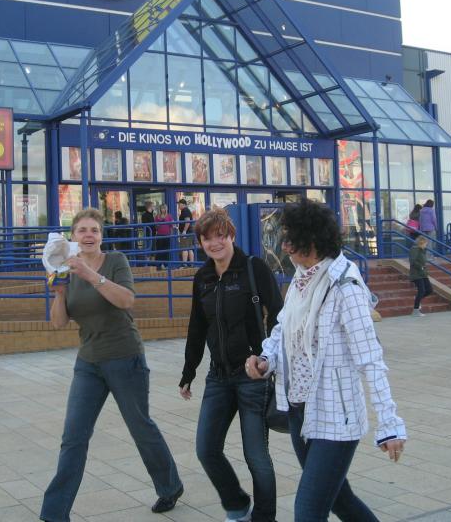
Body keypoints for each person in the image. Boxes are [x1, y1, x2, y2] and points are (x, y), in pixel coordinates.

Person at [245, 199, 407, 522]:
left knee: (308, 511)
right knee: (340, 500)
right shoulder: (302, 279)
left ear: (313, 240)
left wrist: (389, 424)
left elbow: (370, 359)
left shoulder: (345, 286)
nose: (285, 246)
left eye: (291, 239)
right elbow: (283, 328)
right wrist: (266, 359)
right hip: (299, 412)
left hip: (336, 418)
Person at [40, 208, 183, 522]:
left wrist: (91, 275)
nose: (88, 235)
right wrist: (59, 293)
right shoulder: (66, 268)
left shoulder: (116, 261)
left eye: (94, 230)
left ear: (101, 236)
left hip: (125, 357)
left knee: (140, 427)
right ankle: (54, 513)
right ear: (73, 237)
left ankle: (170, 486)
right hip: (88, 363)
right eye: (82, 230)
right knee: (73, 437)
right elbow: (58, 323)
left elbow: (127, 300)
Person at [179, 209, 283, 522]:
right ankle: (237, 505)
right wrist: (189, 371)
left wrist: (265, 357)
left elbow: (279, 315)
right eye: (207, 238)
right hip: (218, 377)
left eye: (221, 236)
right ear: (200, 242)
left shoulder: (253, 268)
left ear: (231, 236)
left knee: (256, 456)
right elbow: (198, 326)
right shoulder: (203, 277)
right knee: (206, 449)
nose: (215, 243)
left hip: (253, 376)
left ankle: (264, 517)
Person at [409, 234, 433, 316]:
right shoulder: (414, 249)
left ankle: (417, 299)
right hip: (416, 274)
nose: (426, 245)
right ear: (421, 243)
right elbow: (412, 261)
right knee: (421, 290)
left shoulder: (422, 250)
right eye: (425, 244)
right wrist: (420, 267)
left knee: (429, 290)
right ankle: (415, 311)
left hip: (423, 273)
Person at [154, 204, 173, 270]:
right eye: (162, 208)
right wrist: (160, 223)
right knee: (159, 250)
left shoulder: (169, 216)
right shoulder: (157, 216)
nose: (163, 210)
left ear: (166, 209)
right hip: (159, 235)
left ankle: (166, 265)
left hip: (167, 235)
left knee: (166, 250)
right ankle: (159, 265)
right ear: (160, 209)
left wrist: (171, 235)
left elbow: (171, 226)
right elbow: (156, 227)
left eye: (164, 208)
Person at [178, 198, 195, 266]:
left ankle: (184, 264)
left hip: (187, 232)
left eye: (179, 204)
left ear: (183, 204)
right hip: (189, 232)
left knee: (185, 248)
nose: (178, 206)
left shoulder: (185, 211)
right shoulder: (186, 210)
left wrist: (184, 231)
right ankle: (192, 264)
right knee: (189, 248)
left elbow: (187, 221)